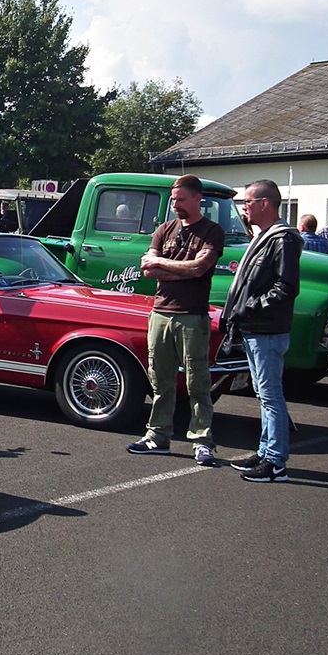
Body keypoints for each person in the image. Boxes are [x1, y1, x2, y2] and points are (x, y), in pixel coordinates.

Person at [127, 174, 225, 466]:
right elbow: (148, 269)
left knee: (197, 381)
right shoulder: (164, 230)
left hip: (192, 316)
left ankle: (202, 440)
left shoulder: (211, 231)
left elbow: (199, 268)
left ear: (197, 199)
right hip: (160, 313)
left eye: (181, 199)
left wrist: (163, 264)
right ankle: (158, 436)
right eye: (173, 199)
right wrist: (173, 268)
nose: (175, 204)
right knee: (160, 379)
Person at [224, 180, 301, 482]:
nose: (244, 208)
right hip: (256, 329)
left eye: (248, 202)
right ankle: (265, 452)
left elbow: (286, 287)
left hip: (268, 330)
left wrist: (250, 306)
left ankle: (276, 463)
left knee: (271, 396)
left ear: (264, 203)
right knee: (263, 393)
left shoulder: (283, 239)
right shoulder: (266, 237)